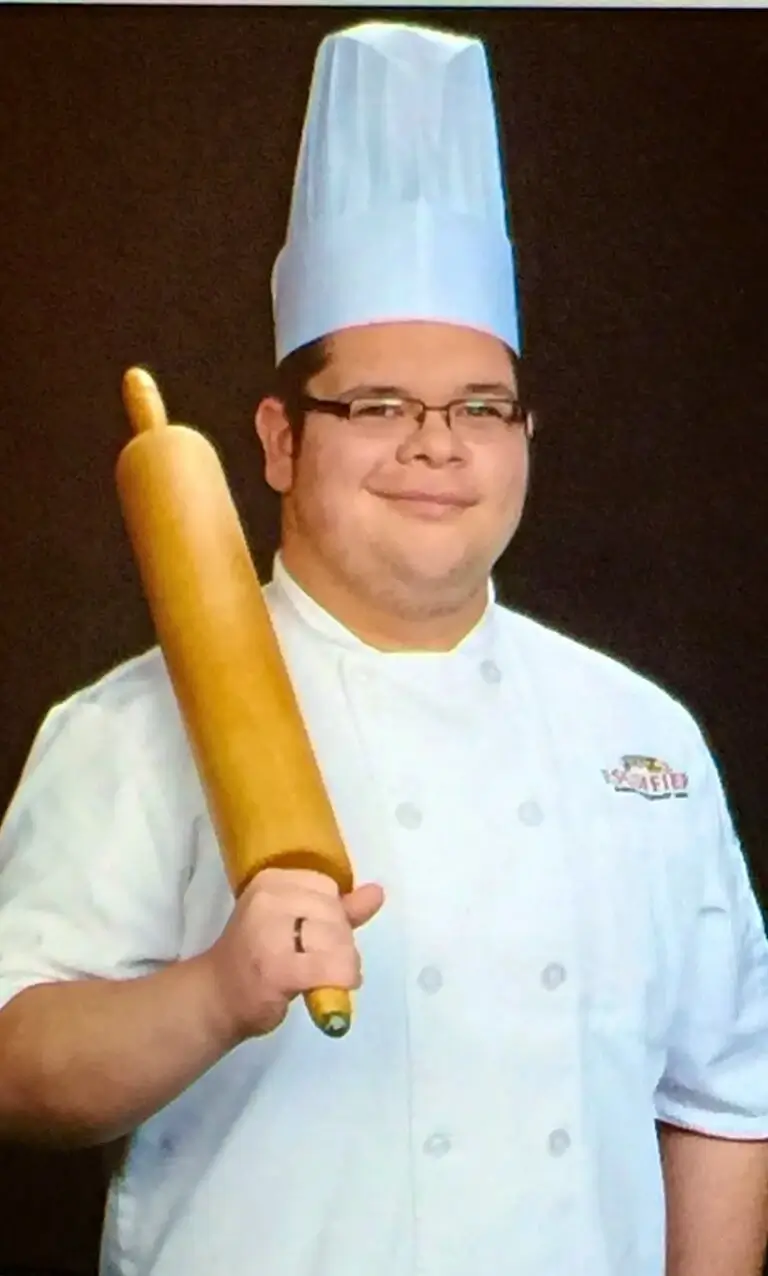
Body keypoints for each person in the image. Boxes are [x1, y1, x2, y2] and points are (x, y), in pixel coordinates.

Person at [1, 20, 767, 1276]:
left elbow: (727, 1097)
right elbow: (15, 1068)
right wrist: (212, 996)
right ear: (278, 440)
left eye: (480, 406)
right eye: (376, 406)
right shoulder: (133, 725)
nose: (437, 446)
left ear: (525, 435)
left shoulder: (644, 737)